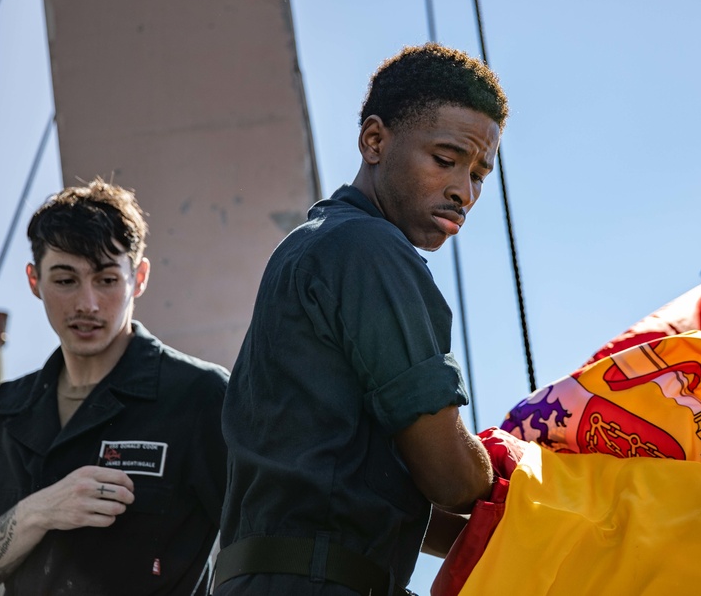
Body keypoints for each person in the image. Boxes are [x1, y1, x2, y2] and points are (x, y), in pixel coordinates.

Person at [216, 43, 509, 595]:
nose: (462, 191)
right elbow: (449, 477)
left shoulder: (314, 248)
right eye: (445, 160)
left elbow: (360, 491)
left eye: (478, 174)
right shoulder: (367, 249)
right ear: (374, 141)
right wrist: (536, 480)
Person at [0, 180, 229, 595]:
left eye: (106, 280)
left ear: (138, 278)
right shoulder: (2, 416)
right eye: (66, 280)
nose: (87, 304)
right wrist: (39, 511)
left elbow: (263, 543)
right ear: (34, 281)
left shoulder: (201, 397)